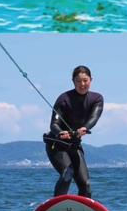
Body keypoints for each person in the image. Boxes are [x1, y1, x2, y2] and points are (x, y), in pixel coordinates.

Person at [43, 66, 104, 198]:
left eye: (85, 80)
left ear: (91, 80)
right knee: (67, 173)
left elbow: (94, 117)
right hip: (57, 145)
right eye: (78, 81)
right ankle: (57, 207)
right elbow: (54, 124)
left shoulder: (96, 99)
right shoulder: (64, 99)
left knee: (85, 184)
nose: (82, 84)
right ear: (73, 81)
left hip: (74, 145)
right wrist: (60, 132)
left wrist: (85, 128)